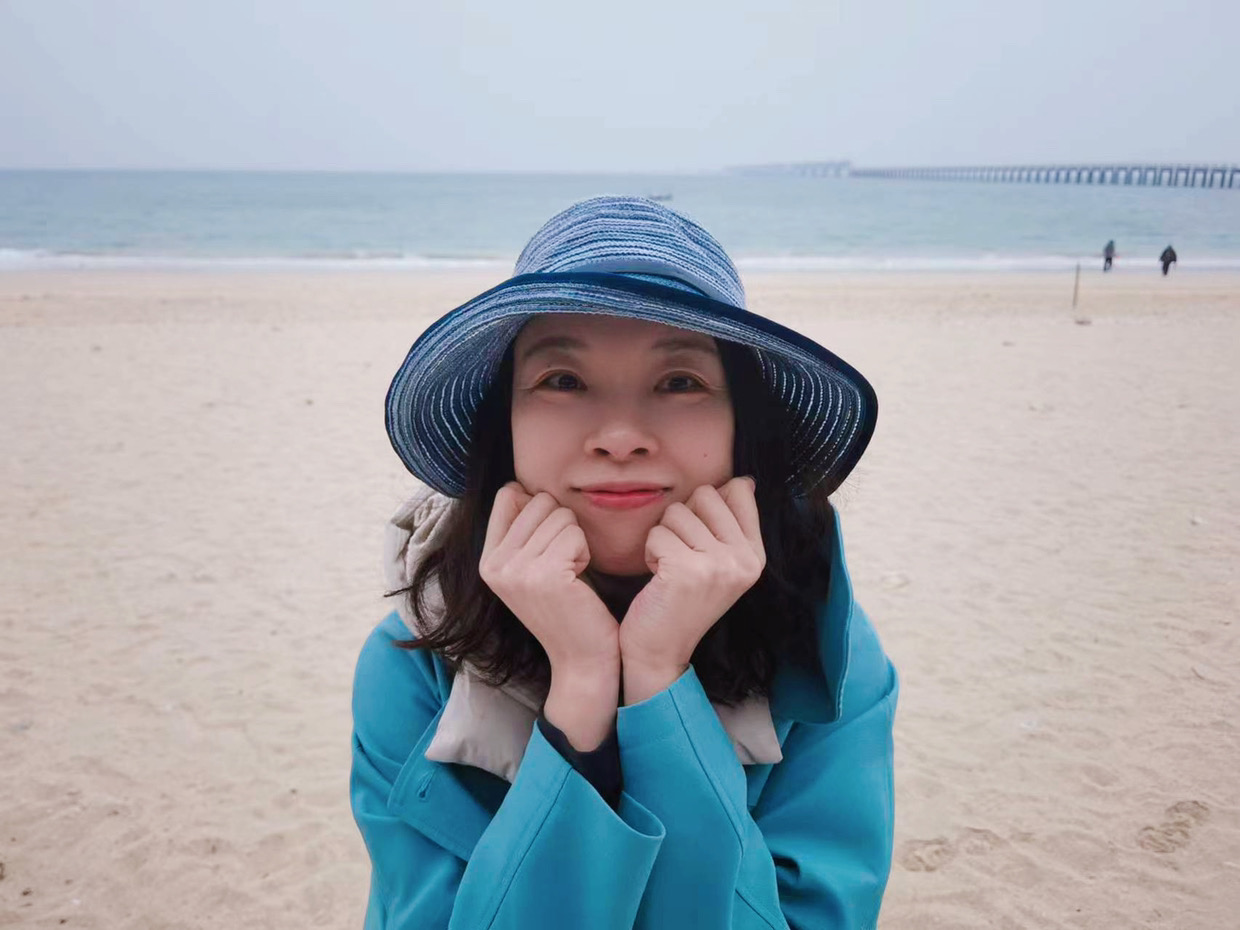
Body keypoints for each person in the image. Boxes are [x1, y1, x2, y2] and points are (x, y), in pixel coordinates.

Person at [350, 195, 899, 929]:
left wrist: (658, 683)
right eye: (563, 380)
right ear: (503, 426)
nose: (619, 435)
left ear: (742, 426)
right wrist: (581, 683)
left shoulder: (833, 663)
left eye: (680, 382)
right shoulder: (413, 662)